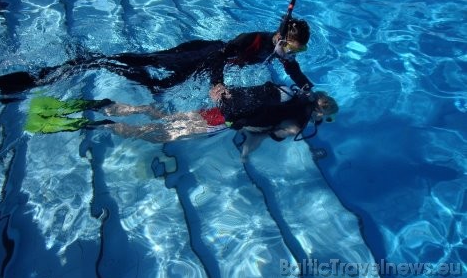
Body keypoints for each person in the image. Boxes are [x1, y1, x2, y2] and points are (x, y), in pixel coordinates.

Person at [23, 82, 338, 160]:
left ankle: (111, 107)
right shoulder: (298, 124)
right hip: (222, 122)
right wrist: (246, 155)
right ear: (320, 114)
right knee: (158, 136)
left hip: (219, 109)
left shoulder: (292, 93)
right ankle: (102, 124)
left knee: (168, 119)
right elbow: (263, 132)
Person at [0, 18, 313, 95]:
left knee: (159, 85)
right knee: (148, 65)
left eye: (298, 52)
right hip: (199, 54)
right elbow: (219, 56)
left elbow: (294, 71)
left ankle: (95, 60)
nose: (293, 55)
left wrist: (308, 87)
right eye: (295, 48)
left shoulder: (279, 50)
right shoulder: (253, 40)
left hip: (202, 63)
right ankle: (89, 61)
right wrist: (217, 84)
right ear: (283, 38)